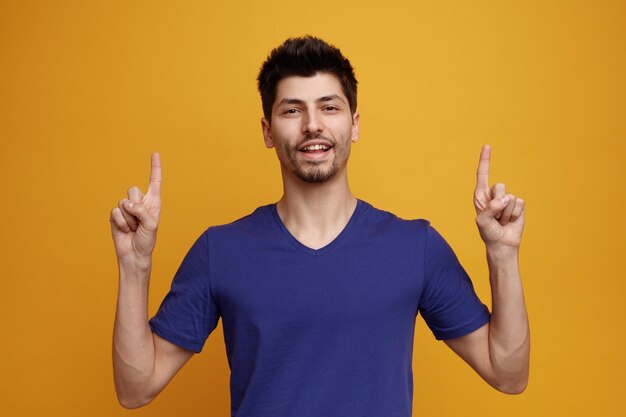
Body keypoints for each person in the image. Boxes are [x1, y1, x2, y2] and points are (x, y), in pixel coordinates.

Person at [110, 36, 529, 416]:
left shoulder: (414, 246)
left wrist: (503, 255)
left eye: (329, 107)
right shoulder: (221, 251)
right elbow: (136, 388)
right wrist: (135, 266)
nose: (313, 124)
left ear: (355, 123)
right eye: (292, 110)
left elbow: (508, 374)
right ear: (268, 131)